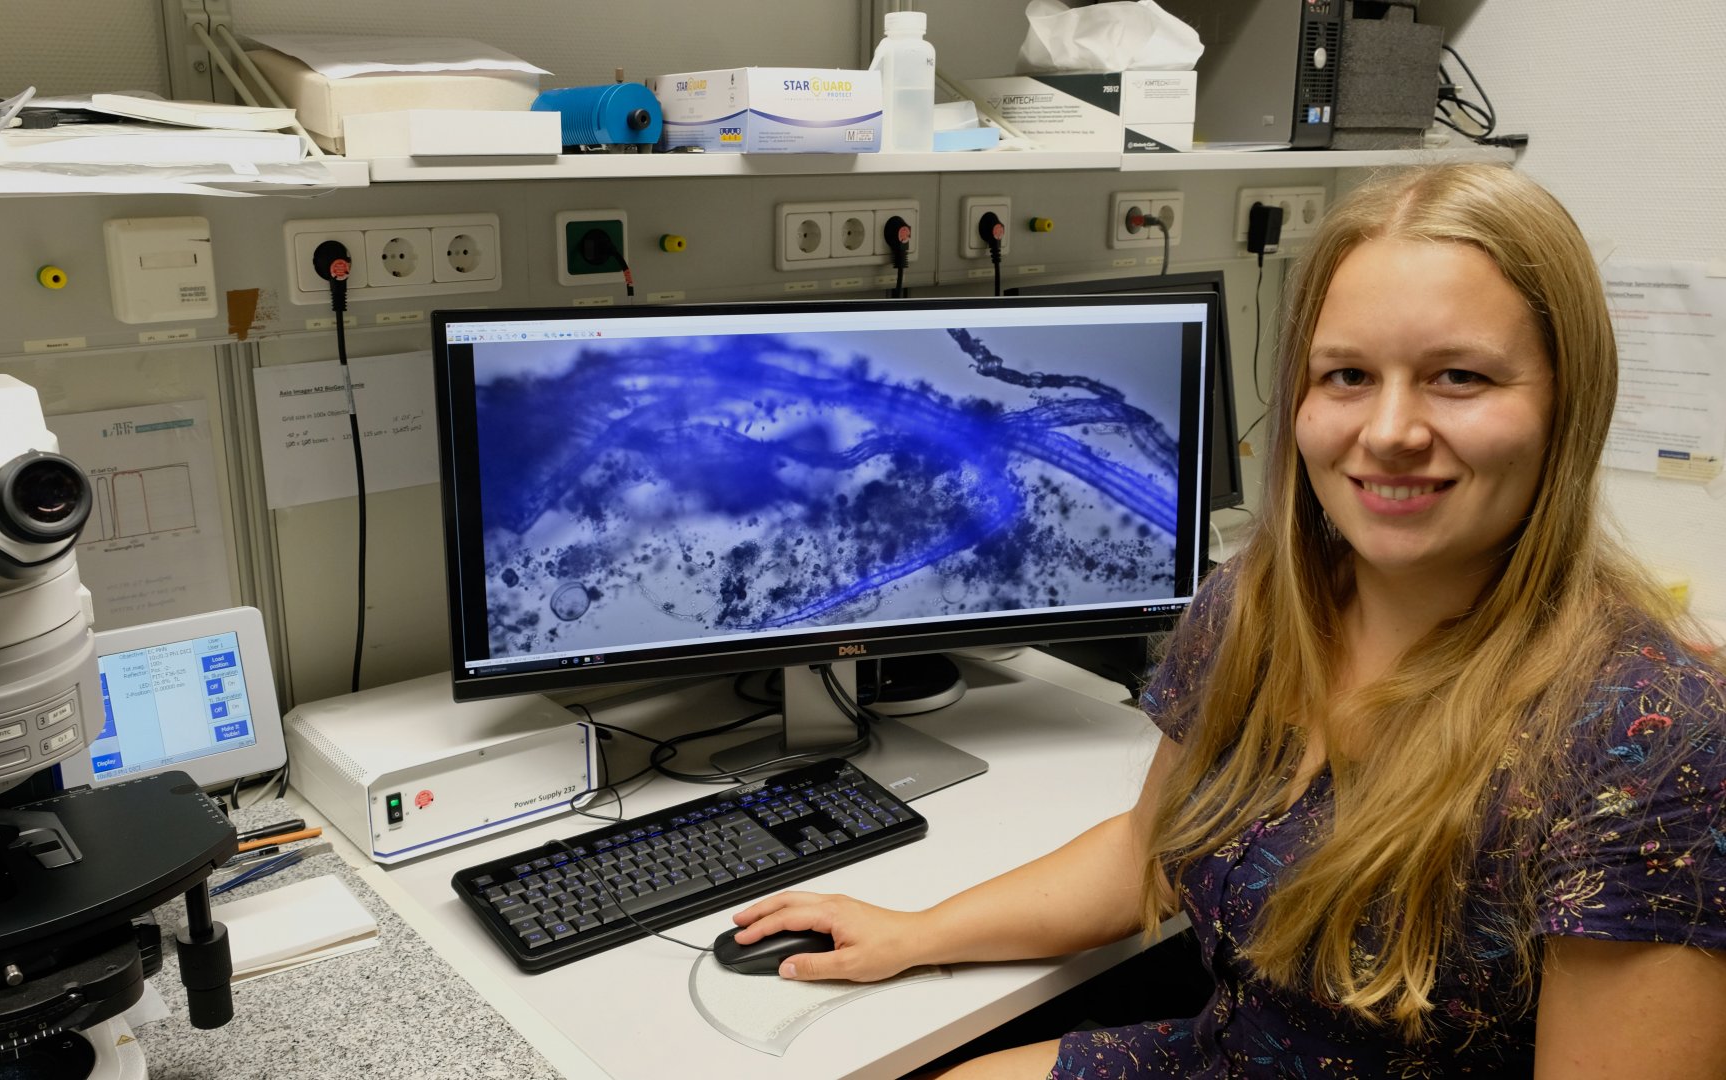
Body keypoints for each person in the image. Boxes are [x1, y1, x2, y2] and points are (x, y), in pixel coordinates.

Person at [731, 164, 1726, 1077]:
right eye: (1345, 376)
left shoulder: (1642, 736)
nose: (1387, 432)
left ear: (1566, 402)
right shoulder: (1260, 604)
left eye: (1456, 377)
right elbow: (1146, 847)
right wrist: (915, 931)